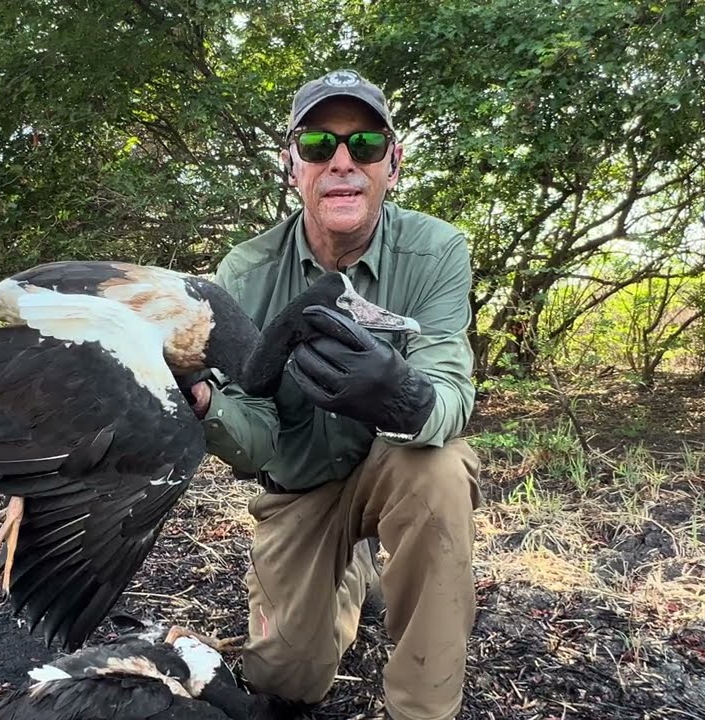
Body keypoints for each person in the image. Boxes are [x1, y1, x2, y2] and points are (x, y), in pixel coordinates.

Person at [184, 68, 482, 720]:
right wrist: (205, 401)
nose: (342, 162)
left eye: (365, 145)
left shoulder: (436, 250)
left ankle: (423, 709)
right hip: (297, 487)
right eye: (318, 145)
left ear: (393, 163)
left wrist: (401, 397)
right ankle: (348, 575)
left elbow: (452, 391)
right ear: (291, 164)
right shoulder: (242, 272)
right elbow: (253, 436)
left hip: (391, 466)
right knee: (287, 681)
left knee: (436, 470)